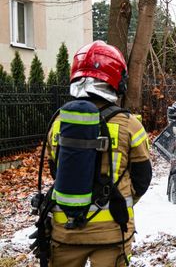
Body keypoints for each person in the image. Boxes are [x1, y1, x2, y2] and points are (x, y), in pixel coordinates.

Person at [46, 41, 152, 266]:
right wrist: (119, 199)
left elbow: (56, 170)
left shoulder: (58, 122)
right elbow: (143, 179)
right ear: (116, 79)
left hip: (65, 230)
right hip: (112, 232)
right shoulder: (130, 125)